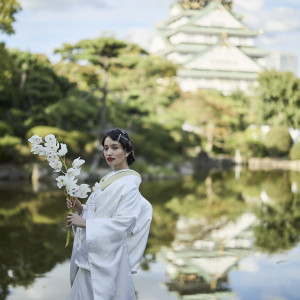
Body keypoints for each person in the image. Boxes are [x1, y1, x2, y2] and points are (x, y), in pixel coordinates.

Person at [66, 129, 152, 300]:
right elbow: (102, 212)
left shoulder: (129, 185)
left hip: (108, 257)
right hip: (92, 251)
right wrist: (81, 209)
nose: (109, 153)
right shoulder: (110, 178)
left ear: (127, 151)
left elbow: (124, 223)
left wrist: (85, 224)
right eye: (106, 148)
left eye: (115, 147)